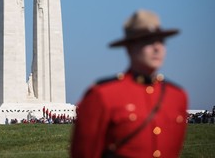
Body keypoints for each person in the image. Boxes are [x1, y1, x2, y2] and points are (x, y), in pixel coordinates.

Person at [70, 10, 188, 158]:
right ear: (129, 48)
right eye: (148, 41)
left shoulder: (177, 96)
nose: (157, 48)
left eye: (161, 41)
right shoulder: (103, 95)